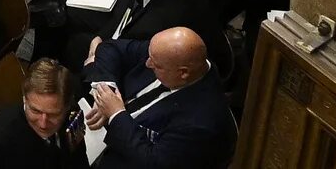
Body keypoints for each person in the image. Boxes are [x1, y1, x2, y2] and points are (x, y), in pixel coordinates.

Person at [83, 26, 234, 168]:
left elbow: (154, 163)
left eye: (156, 65)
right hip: (104, 130)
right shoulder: (166, 53)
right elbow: (111, 47)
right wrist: (107, 87)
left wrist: (116, 114)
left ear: (183, 73)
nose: (147, 63)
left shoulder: (200, 124)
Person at [0, 58, 82, 167]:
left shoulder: (71, 116)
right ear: (24, 99)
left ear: (67, 106)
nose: (43, 123)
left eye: (53, 115)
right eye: (35, 111)